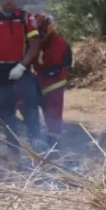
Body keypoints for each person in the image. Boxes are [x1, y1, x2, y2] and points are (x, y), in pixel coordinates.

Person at [0, 0, 44, 149]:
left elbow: (34, 45)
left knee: (30, 104)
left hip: (20, 67)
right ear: (0, 0)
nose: (9, 0)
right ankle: (13, 146)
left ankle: (35, 141)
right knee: (6, 110)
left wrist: (22, 66)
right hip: (0, 70)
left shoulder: (26, 18)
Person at [27, 12, 73, 144]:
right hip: (42, 78)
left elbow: (54, 62)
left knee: (53, 111)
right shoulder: (41, 41)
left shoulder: (57, 42)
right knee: (31, 104)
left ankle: (54, 141)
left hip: (54, 80)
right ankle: (37, 134)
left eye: (40, 29)